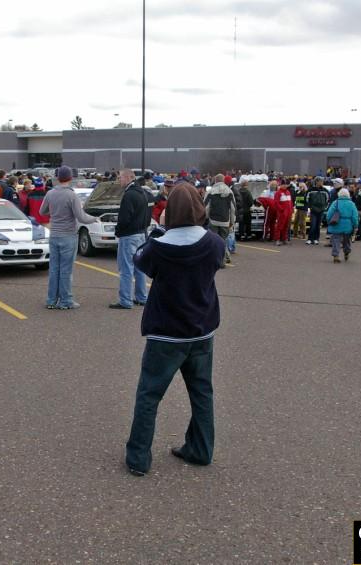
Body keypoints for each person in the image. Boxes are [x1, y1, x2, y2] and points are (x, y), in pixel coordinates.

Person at [124, 182, 226, 477]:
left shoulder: (158, 246)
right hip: (202, 330)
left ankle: (138, 458)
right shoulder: (214, 243)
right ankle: (201, 449)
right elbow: (216, 262)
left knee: (149, 395)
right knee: (202, 393)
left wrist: (159, 231)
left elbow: (140, 260)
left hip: (166, 333)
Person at [39, 165, 99, 309]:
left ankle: (51, 300)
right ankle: (65, 300)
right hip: (68, 235)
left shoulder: (50, 193)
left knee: (54, 269)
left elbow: (42, 211)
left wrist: (54, 213)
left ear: (58, 178)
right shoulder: (72, 195)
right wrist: (94, 218)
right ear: (70, 178)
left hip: (54, 235)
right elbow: (81, 217)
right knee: (66, 270)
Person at [110, 169, 150, 310]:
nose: (119, 180)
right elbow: (147, 215)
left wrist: (118, 231)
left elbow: (124, 219)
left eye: (120, 177)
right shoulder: (142, 193)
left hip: (129, 236)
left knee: (126, 268)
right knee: (139, 267)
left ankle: (125, 300)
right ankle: (141, 297)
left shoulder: (128, 195)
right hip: (140, 234)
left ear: (128, 178)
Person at [204, 174, 236, 265]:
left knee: (214, 241)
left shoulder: (211, 192)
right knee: (223, 241)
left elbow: (206, 207)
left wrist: (205, 218)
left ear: (215, 181)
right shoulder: (229, 191)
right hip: (225, 221)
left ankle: (214, 260)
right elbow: (233, 209)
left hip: (213, 220)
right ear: (224, 180)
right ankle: (222, 261)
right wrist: (232, 221)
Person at [325, 187, 358, 263]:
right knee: (346, 240)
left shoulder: (335, 202)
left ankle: (336, 255)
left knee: (336, 240)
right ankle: (346, 252)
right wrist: (355, 225)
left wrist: (328, 220)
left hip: (336, 223)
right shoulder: (351, 204)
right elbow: (355, 216)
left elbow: (329, 213)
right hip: (348, 224)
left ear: (339, 194)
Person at [306, 177, 328, 245]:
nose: (321, 182)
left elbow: (327, 200)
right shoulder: (311, 190)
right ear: (316, 182)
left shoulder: (325, 190)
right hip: (313, 210)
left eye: (322, 181)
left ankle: (316, 239)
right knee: (313, 225)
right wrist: (310, 208)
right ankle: (310, 239)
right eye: (320, 181)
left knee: (318, 225)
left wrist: (324, 208)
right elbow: (307, 199)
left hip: (321, 210)